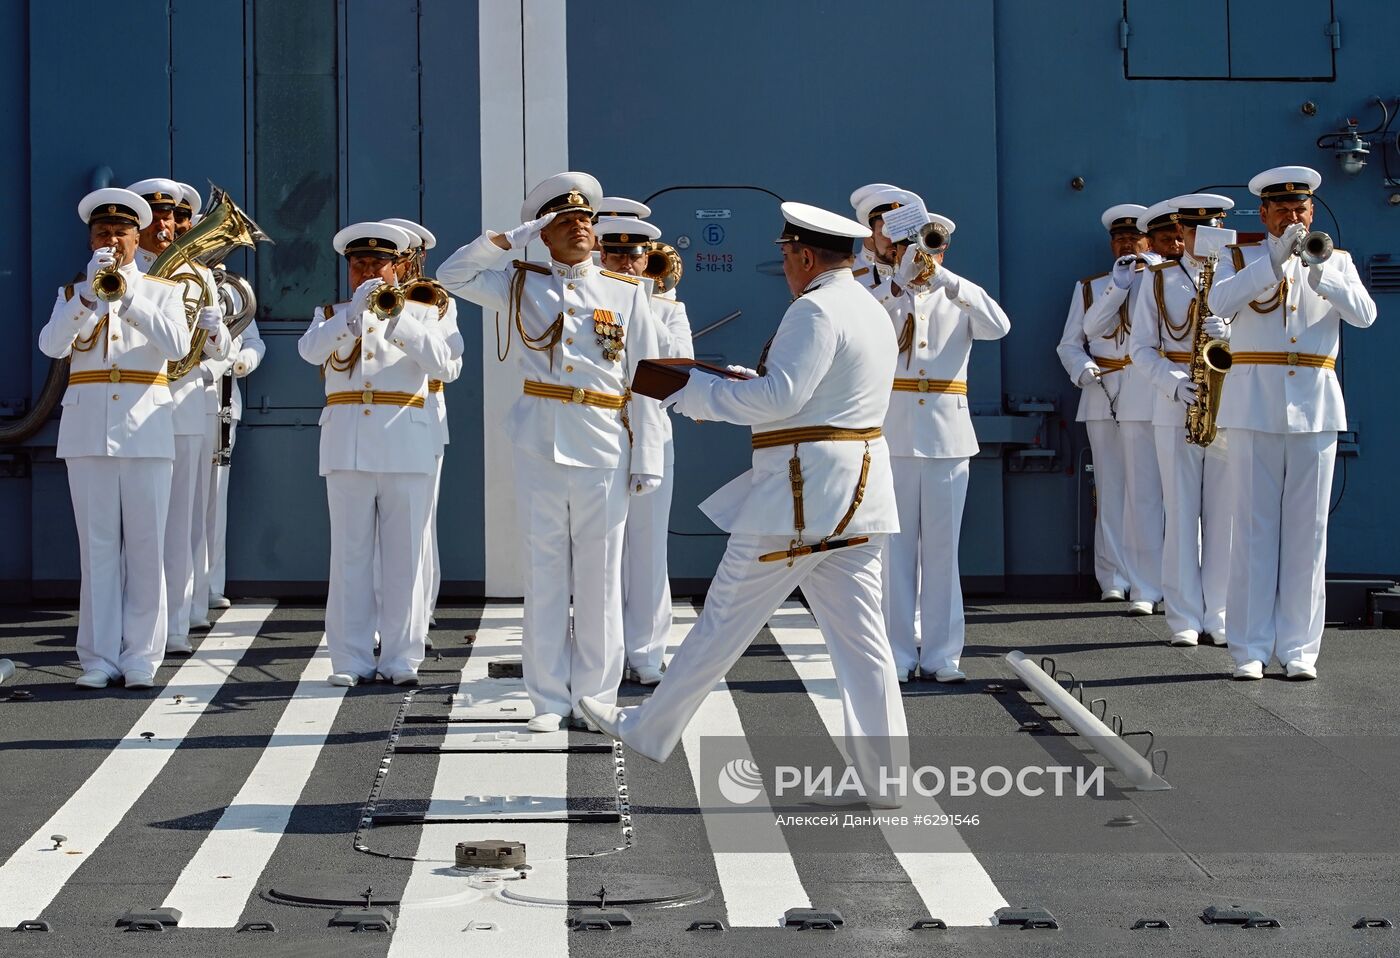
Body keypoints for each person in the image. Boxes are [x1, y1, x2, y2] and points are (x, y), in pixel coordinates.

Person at [580, 202, 909, 804]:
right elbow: (818, 397)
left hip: (799, 500)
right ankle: (885, 774)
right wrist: (734, 381)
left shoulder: (813, 308)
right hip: (858, 493)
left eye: (786, 255)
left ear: (806, 256)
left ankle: (650, 729)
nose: (784, 266)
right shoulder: (867, 304)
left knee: (723, 619)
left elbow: (779, 400)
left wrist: (690, 390)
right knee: (864, 642)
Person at [436, 172, 667, 732]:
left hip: (603, 442)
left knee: (600, 577)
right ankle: (548, 700)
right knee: (543, 574)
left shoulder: (626, 293)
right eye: (566, 222)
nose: (582, 228)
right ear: (545, 232)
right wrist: (510, 238)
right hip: (539, 440)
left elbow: (650, 379)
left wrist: (649, 457)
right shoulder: (518, 283)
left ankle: (596, 696)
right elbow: (451, 275)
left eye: (587, 219)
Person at [1207, 166, 1377, 680]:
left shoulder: (1337, 259)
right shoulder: (1240, 260)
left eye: (1301, 210)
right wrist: (1272, 264)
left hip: (1316, 406)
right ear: (1263, 214)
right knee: (1254, 529)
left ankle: (1300, 650)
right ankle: (1250, 649)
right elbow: (1217, 304)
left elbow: (1365, 315)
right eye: (1282, 211)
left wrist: (1320, 271)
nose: (1293, 218)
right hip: (1254, 404)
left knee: (1309, 531)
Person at [37, 188, 192, 689]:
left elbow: (177, 346)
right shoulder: (73, 292)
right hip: (87, 431)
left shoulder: (162, 291)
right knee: (98, 548)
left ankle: (142, 656)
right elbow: (51, 345)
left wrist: (129, 302)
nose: (112, 241)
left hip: (146, 428)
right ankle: (99, 658)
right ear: (91, 240)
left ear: (136, 237)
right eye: (103, 234)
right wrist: (87, 297)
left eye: (121, 234)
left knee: (146, 545)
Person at [298, 222, 452, 687]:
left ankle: (402, 657)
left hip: (405, 442)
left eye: (377, 264)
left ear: (397, 268)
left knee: (405, 557)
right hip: (346, 446)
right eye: (358, 264)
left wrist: (396, 319)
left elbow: (447, 365)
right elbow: (309, 352)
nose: (367, 271)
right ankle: (350, 657)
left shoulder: (428, 312)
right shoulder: (331, 313)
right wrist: (351, 318)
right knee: (349, 557)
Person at [871, 191, 1011, 683]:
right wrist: (897, 285)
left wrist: (946, 281)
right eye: (917, 245)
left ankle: (942, 654)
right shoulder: (883, 295)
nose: (925, 254)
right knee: (896, 551)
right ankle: (897, 651)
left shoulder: (957, 293)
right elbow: (863, 328)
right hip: (894, 433)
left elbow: (999, 326)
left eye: (933, 246)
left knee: (942, 551)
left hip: (950, 435)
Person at [1129, 195, 1235, 650]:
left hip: (1229, 404)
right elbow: (1140, 348)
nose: (1197, 239)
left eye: (1208, 229)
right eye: (1191, 232)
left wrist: (1233, 334)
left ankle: (1223, 612)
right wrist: (1174, 384)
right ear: (1182, 234)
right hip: (1177, 407)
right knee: (1181, 515)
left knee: (1225, 517)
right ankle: (1185, 618)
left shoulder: (1239, 272)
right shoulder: (1158, 280)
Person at [128, 177, 230, 653]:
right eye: (156, 218)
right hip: (136, 409)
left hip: (186, 405)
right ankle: (141, 625)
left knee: (185, 520)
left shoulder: (200, 274)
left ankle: (177, 623)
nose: (166, 226)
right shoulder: (123, 272)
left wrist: (213, 332)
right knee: (143, 523)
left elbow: (221, 350)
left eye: (170, 218)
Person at [595, 215, 694, 685]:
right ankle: (607, 650)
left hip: (651, 436)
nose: (627, 263)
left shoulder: (669, 308)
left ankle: (648, 654)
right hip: (601, 435)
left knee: (649, 550)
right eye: (616, 255)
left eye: (635, 256)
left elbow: (675, 370)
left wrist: (645, 303)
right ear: (601, 257)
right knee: (605, 551)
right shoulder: (589, 302)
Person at [1066, 204, 1166, 614]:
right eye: (1120, 240)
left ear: (1148, 241)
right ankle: (1112, 576)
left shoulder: (1162, 281)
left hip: (1147, 390)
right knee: (1109, 488)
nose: (1128, 244)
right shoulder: (1092, 287)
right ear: (1112, 245)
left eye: (1135, 239)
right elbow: (1072, 340)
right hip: (1103, 390)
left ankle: (1152, 577)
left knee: (1148, 489)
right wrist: (1082, 368)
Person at [382, 217, 465, 644]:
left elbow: (449, 365)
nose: (400, 264)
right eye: (392, 257)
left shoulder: (437, 302)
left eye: (405, 256)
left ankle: (419, 611)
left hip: (425, 415)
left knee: (420, 524)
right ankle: (383, 614)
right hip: (380, 421)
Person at [849, 183, 902, 292]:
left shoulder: (913, 273)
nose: (892, 239)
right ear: (869, 230)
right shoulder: (847, 271)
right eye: (885, 231)